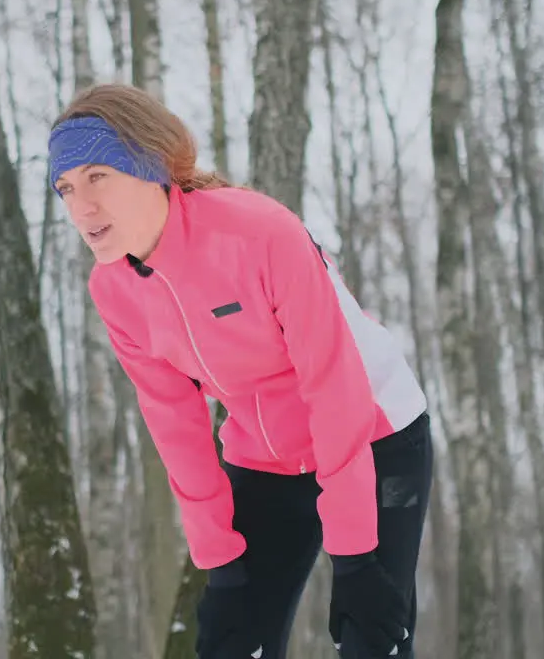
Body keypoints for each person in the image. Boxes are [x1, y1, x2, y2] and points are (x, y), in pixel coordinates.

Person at [46, 83, 434, 659]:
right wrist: (220, 565)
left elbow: (335, 386)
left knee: (371, 635)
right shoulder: (114, 290)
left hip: (374, 436)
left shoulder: (256, 234)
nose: (81, 207)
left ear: (149, 164)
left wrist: (354, 555)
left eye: (97, 176)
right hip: (264, 456)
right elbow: (175, 428)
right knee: (234, 644)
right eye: (66, 188)